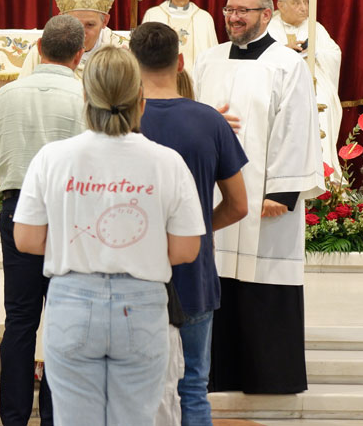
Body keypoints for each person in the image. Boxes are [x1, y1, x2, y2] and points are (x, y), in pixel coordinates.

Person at [13, 46, 205, 426]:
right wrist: (136, 249)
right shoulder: (167, 161)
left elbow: (28, 240)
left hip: (72, 299)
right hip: (143, 304)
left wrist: (84, 245)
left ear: (85, 98)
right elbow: (186, 249)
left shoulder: (53, 157)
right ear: (140, 100)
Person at [193, 0, 324, 395]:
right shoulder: (208, 59)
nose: (233, 17)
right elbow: (190, 109)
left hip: (264, 197)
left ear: (266, 15)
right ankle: (218, 373)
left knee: (261, 278)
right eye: (229, 9)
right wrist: (206, 118)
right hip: (215, 195)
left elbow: (298, 128)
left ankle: (267, 376)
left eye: (243, 11)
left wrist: (282, 193)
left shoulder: (287, 64)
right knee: (216, 278)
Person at [130, 22, 249, 426]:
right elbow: (238, 205)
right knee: (194, 385)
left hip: (134, 272)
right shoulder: (210, 121)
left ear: (132, 63)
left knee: (136, 388)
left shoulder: (120, 122)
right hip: (193, 271)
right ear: (180, 62)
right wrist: (196, 230)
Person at [0, 14, 87, 426]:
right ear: (80, 54)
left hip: (18, 207)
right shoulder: (83, 97)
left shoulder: (5, 97)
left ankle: (13, 418)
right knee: (62, 318)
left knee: (20, 319)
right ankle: (56, 418)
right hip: (69, 213)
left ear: (38, 47)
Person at [267, 0, 344, 178]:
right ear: (281, 6)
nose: (303, 7)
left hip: (315, 80)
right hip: (282, 85)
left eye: (305, 2)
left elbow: (334, 54)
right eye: (296, 3)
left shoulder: (315, 27)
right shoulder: (270, 28)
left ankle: (324, 173)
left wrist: (315, 52)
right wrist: (284, 51)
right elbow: (263, 60)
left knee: (323, 105)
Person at [18, 0, 124, 79]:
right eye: (75, 24)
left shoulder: (120, 53)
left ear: (105, 21)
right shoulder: (45, 51)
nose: (82, 32)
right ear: (62, 19)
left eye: (90, 25)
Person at [142, 0, 218, 72]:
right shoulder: (154, 15)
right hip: (161, 83)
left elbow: (213, 59)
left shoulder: (204, 19)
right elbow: (143, 55)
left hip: (195, 86)